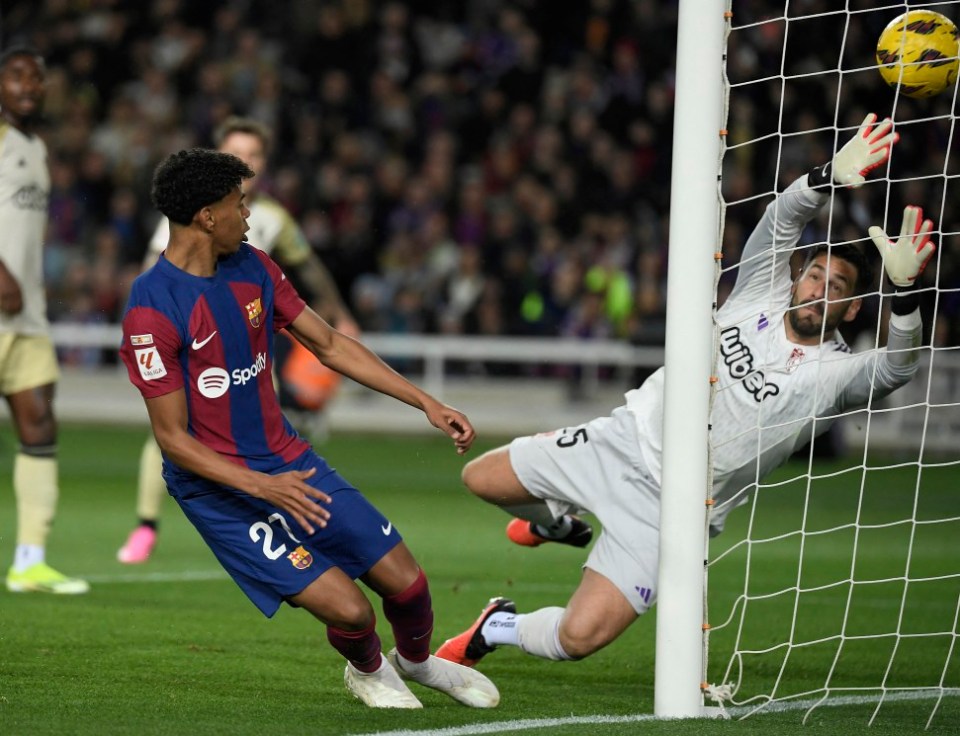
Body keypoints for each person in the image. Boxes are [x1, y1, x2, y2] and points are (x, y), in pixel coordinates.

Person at [435, 114, 935, 668]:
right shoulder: (756, 296)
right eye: (815, 275)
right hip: (622, 443)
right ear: (798, 278)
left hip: (672, 508)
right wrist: (828, 177)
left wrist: (907, 294)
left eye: (836, 287)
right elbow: (780, 218)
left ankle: (496, 625)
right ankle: (557, 523)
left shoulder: (836, 374)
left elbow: (896, 369)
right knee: (479, 478)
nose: (819, 289)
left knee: (578, 640)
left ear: (851, 308)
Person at [119, 147, 498, 708]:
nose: (247, 215)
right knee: (352, 611)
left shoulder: (255, 266)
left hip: (288, 460)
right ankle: (368, 670)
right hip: (220, 490)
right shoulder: (152, 309)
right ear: (206, 215)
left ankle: (417, 663)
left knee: (409, 584)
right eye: (238, 203)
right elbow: (174, 441)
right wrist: (263, 488)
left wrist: (424, 401)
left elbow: (328, 344)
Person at [117, 116, 359, 564]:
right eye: (237, 151)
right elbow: (157, 269)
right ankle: (146, 525)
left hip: (251, 346)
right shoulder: (195, 208)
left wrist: (339, 311)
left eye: (254, 153)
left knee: (269, 430)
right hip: (197, 348)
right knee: (172, 435)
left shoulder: (273, 218)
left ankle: (279, 521)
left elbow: (307, 266)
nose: (246, 160)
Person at [0, 47, 89, 595]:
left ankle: (29, 560)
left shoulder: (35, 146)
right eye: (17, 76)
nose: (30, 85)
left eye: (38, 76)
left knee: (39, 424)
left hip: (26, 317)